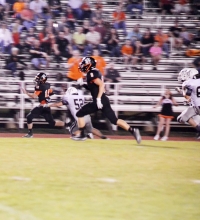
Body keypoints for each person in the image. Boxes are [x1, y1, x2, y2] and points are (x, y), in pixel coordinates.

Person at [72, 56, 141, 143]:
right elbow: (94, 88)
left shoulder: (91, 73)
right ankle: (133, 130)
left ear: (89, 64)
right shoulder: (95, 72)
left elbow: (101, 85)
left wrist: (98, 99)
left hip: (99, 101)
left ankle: (82, 135)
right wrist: (83, 85)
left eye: (84, 64)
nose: (82, 66)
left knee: (80, 113)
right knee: (114, 120)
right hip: (104, 100)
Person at [21, 72, 64, 138]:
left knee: (29, 117)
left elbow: (34, 96)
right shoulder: (47, 85)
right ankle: (67, 124)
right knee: (52, 123)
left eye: (38, 79)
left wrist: (26, 93)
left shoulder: (40, 87)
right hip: (46, 106)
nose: (37, 80)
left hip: (42, 106)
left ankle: (30, 134)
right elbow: (51, 93)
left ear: (42, 79)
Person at [176, 68, 200, 138]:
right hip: (196, 107)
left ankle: (199, 129)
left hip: (196, 108)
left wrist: (181, 91)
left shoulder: (188, 83)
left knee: (180, 118)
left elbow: (187, 96)